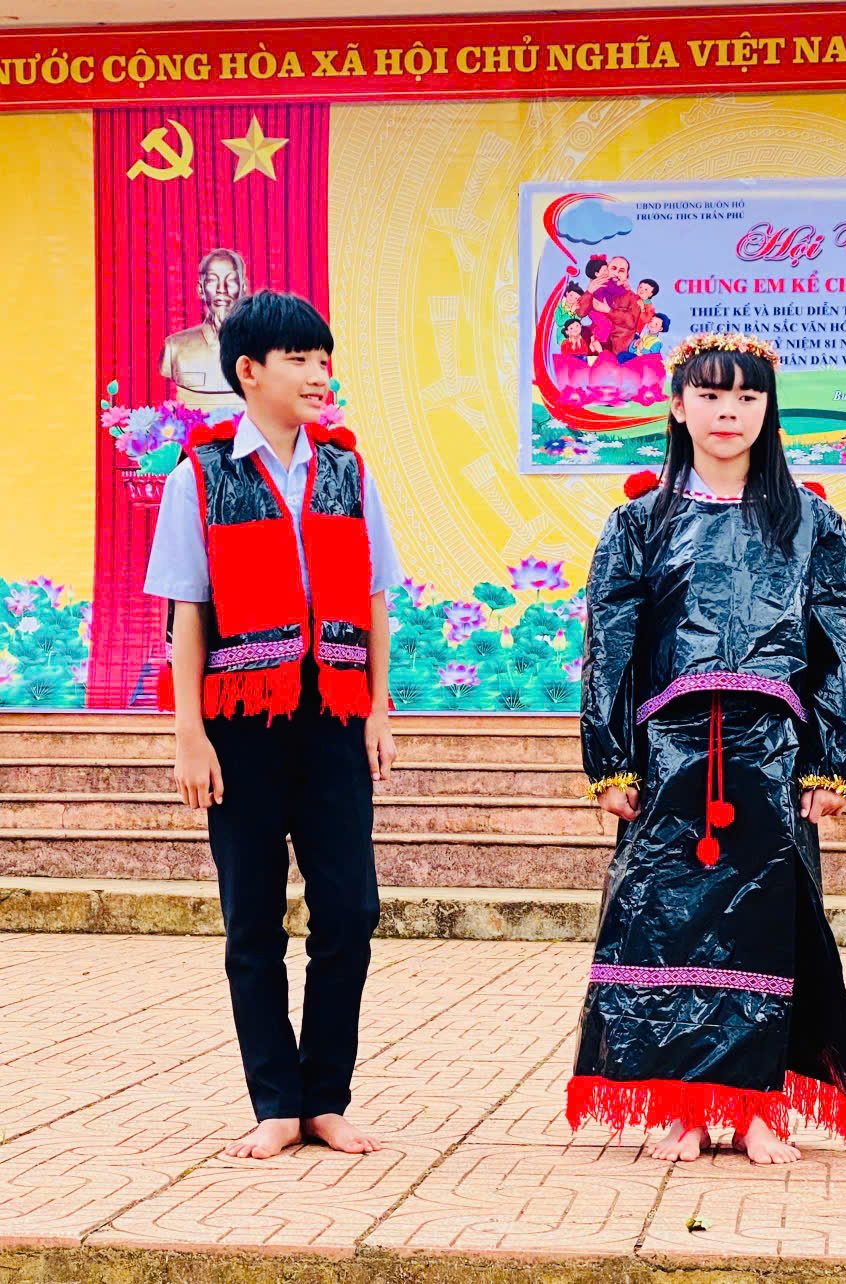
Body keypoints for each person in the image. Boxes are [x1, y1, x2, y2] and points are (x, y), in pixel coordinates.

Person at [568, 331, 846, 1165]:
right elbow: (610, 648)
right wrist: (609, 759)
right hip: (668, 755)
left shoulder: (811, 522)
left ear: (768, 410)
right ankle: (684, 1107)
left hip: (771, 754)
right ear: (677, 407)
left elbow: (842, 644)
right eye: (708, 394)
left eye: (746, 396)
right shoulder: (637, 523)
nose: (727, 411)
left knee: (766, 927)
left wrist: (834, 761)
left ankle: (755, 1108)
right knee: (665, 926)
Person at [144, 290, 403, 1161]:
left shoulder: (348, 472)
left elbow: (374, 597)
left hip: (333, 719)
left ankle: (326, 1098)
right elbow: (187, 613)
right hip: (240, 729)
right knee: (252, 922)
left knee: (350, 913)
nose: (319, 374)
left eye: (324, 359)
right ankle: (276, 1104)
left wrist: (378, 707)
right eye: (299, 359)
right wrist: (189, 735)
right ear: (249, 371)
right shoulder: (198, 476)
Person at [160, 248, 249, 409]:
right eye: (212, 280)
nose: (221, 289)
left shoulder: (265, 346)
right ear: (201, 289)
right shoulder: (175, 347)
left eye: (230, 280)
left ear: (243, 287)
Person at [577, 255, 640, 355]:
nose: (616, 273)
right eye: (613, 268)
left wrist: (609, 311)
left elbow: (631, 322)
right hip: (595, 342)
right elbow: (580, 312)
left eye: (622, 271)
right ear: (607, 270)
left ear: (626, 276)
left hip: (617, 348)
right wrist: (589, 292)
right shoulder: (597, 287)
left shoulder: (633, 298)